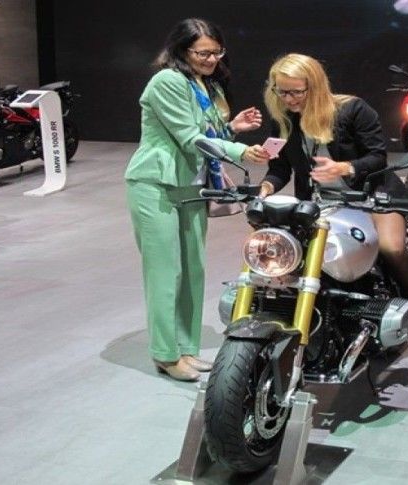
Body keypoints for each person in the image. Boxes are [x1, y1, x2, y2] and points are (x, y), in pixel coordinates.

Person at [125, 18, 270, 381]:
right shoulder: (167, 81)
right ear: (181, 50)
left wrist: (232, 128)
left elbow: (208, 133)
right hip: (156, 185)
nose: (211, 59)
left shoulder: (205, 84)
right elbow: (189, 137)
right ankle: (165, 353)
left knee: (193, 271)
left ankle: (186, 348)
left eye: (216, 52)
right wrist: (240, 151)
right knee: (164, 273)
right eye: (202, 53)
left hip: (192, 186)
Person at [260, 53, 408, 301]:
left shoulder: (352, 109)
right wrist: (266, 188)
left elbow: (378, 156)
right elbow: (279, 168)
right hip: (320, 201)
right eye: (282, 92)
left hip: (372, 195)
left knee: (391, 248)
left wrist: (344, 168)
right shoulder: (282, 120)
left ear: (315, 86)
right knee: (288, 251)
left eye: (297, 92)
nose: (289, 99)